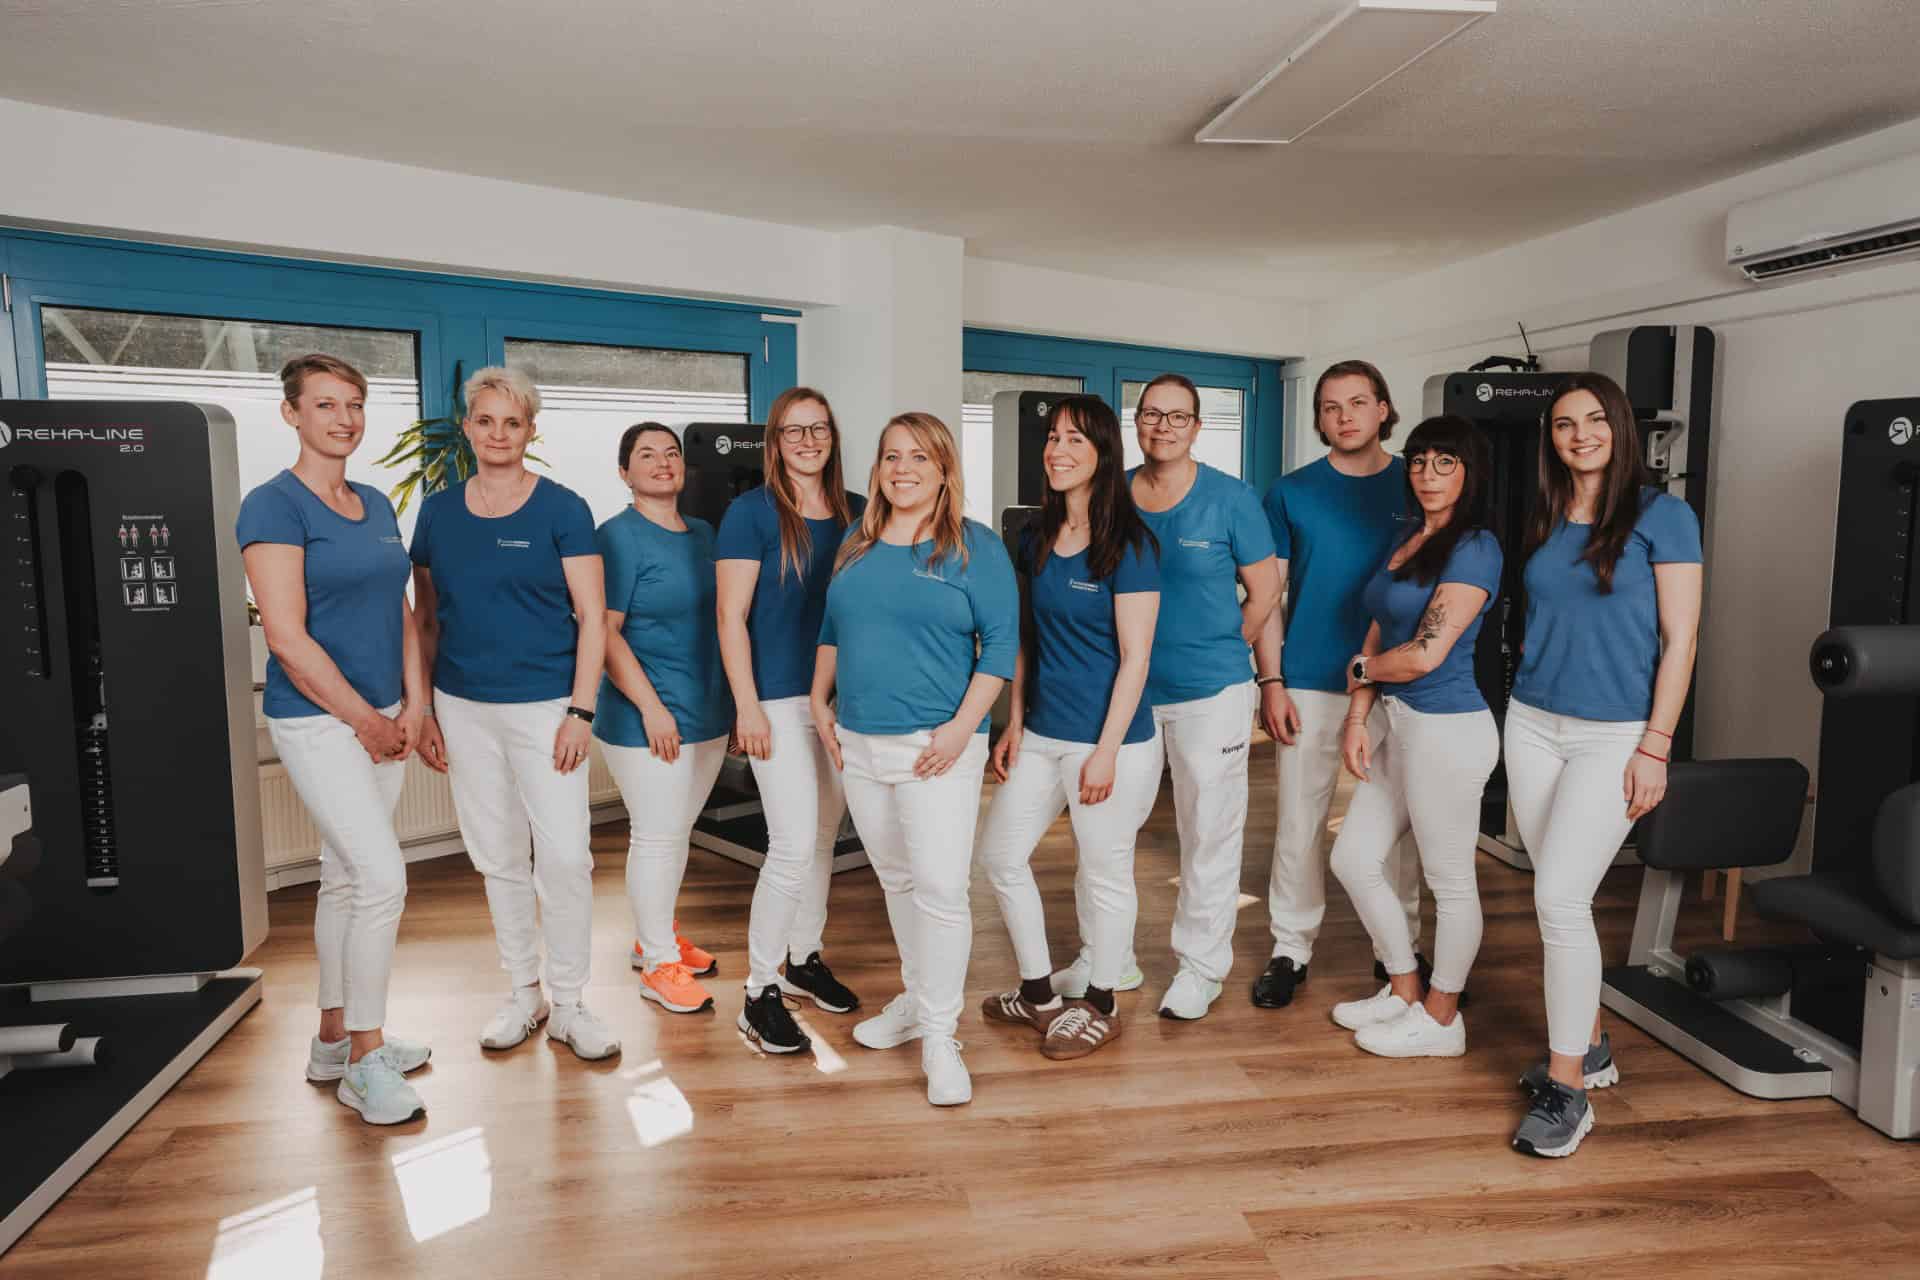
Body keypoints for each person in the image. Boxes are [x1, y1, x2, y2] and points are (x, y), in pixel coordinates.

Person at [1506, 372, 1701, 1158]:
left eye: (1593, 420)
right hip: (1531, 722)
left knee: (1558, 899)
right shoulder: (1551, 513)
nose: (1578, 434)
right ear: (1550, 438)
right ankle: (1588, 1044)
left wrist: (1656, 744)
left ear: (1619, 427)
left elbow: (1681, 640)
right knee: (1560, 896)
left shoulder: (1665, 516)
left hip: (1615, 735)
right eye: (1562, 424)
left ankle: (1568, 1093)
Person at [239, 353, 432, 1125]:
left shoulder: (377, 501)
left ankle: (330, 1040)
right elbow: (286, 638)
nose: (344, 418)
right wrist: (369, 721)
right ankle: (365, 1059)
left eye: (353, 404)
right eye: (325, 405)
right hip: (319, 723)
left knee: (347, 879)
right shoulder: (272, 506)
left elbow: (404, 611)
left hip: (386, 714)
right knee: (383, 879)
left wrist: (415, 707)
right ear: (292, 414)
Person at [411, 366, 620, 1062]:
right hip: (462, 706)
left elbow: (592, 618)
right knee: (497, 855)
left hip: (547, 708)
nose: (499, 433)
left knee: (564, 857)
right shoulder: (437, 512)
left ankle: (572, 1002)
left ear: (531, 430)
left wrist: (581, 711)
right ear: (468, 428)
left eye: (513, 421)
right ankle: (524, 993)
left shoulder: (563, 508)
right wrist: (427, 709)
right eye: (485, 420)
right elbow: (427, 620)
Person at [811, 412, 1017, 1105]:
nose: (903, 468)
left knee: (939, 887)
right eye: (891, 456)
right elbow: (834, 627)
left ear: (943, 471)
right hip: (861, 741)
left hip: (937, 745)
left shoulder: (973, 547)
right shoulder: (858, 541)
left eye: (919, 458)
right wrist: (818, 698)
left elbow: (1003, 643)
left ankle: (940, 1034)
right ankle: (914, 998)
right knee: (897, 880)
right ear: (878, 468)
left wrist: (964, 729)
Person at [977, 395, 1161, 1060]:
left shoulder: (1131, 544)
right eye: (1052, 439)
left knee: (1106, 872)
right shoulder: (1032, 538)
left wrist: (1107, 752)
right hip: (1044, 730)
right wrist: (1015, 720)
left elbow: (1137, 657)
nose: (1056, 451)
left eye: (1074, 441)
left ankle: (1103, 1002)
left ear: (1103, 454)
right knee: (1000, 856)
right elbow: (1026, 638)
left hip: (1109, 739)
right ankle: (1038, 993)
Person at [1253, 359, 1426, 1009]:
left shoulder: (1420, 482)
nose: (1345, 415)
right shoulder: (1291, 493)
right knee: (1299, 821)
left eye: (1358, 402)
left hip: (1403, 679)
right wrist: (1270, 681)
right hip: (1312, 679)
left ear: (1384, 408)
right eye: (1330, 406)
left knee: (1399, 825)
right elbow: (1268, 597)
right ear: (1319, 418)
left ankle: (1399, 948)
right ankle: (1290, 948)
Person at [1327, 416, 1502, 1058]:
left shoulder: (1475, 547)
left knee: (1449, 879)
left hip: (1449, 732)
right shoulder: (1412, 535)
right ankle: (1404, 988)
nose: (1427, 475)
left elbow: (1425, 653)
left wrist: (1362, 671)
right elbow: (1380, 623)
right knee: (1352, 859)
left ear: (1470, 472)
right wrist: (1357, 713)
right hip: (1400, 727)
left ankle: (1443, 1017)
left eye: (1445, 463)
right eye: (1419, 461)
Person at [1117, 374, 1282, 1020]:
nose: (1162, 426)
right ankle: (1109, 955)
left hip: (1211, 691)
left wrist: (1226, 643)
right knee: (1109, 826)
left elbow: (1265, 592)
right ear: (1137, 422)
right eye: (1151, 415)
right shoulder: (1112, 496)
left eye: (1176, 416)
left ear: (1195, 427)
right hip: (1127, 692)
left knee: (1208, 830)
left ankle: (1201, 966)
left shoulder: (1231, 500)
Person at [718, 388, 866, 1054]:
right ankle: (758, 990)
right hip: (777, 697)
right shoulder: (750, 515)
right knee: (791, 842)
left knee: (825, 834)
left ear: (833, 436)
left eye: (819, 429)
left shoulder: (861, 512)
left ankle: (804, 957)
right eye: (792, 431)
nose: (808, 441)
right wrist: (745, 705)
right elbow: (730, 618)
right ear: (775, 442)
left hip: (841, 701)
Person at [594, 423, 734, 1020]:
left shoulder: (703, 533)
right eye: (645, 455)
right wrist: (653, 708)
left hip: (705, 712)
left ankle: (657, 932)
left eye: (671, 453)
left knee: (674, 834)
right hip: (646, 717)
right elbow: (603, 631)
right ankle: (656, 964)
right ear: (624, 472)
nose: (662, 462)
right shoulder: (617, 537)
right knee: (655, 835)